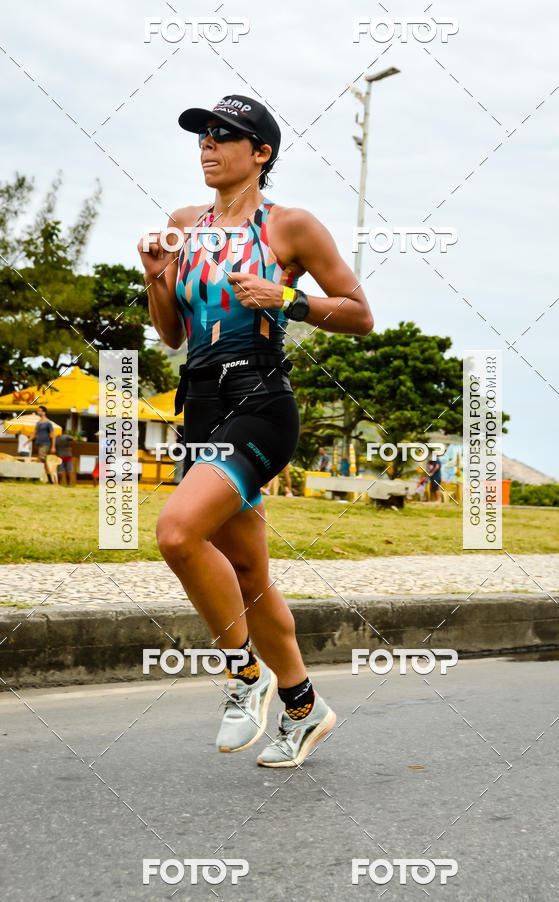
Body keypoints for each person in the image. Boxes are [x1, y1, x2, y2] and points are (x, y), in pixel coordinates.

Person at [138, 92, 373, 767]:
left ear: (261, 153)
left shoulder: (290, 226)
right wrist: (157, 278)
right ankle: (303, 709)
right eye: (202, 135)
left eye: (224, 135)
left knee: (177, 532)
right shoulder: (184, 224)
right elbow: (173, 333)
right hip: (202, 406)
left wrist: (289, 299)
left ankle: (245, 675)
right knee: (248, 576)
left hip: (262, 400)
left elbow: (361, 315)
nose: (207, 145)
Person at [24, 406, 55, 481]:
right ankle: (50, 479)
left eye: (40, 411)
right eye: (38, 411)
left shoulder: (48, 423)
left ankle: (35, 478)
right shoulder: (38, 423)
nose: (38, 412)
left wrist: (53, 447)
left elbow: (53, 435)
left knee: (39, 460)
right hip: (39, 444)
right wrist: (27, 441)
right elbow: (35, 433)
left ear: (44, 412)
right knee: (44, 462)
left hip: (46, 444)